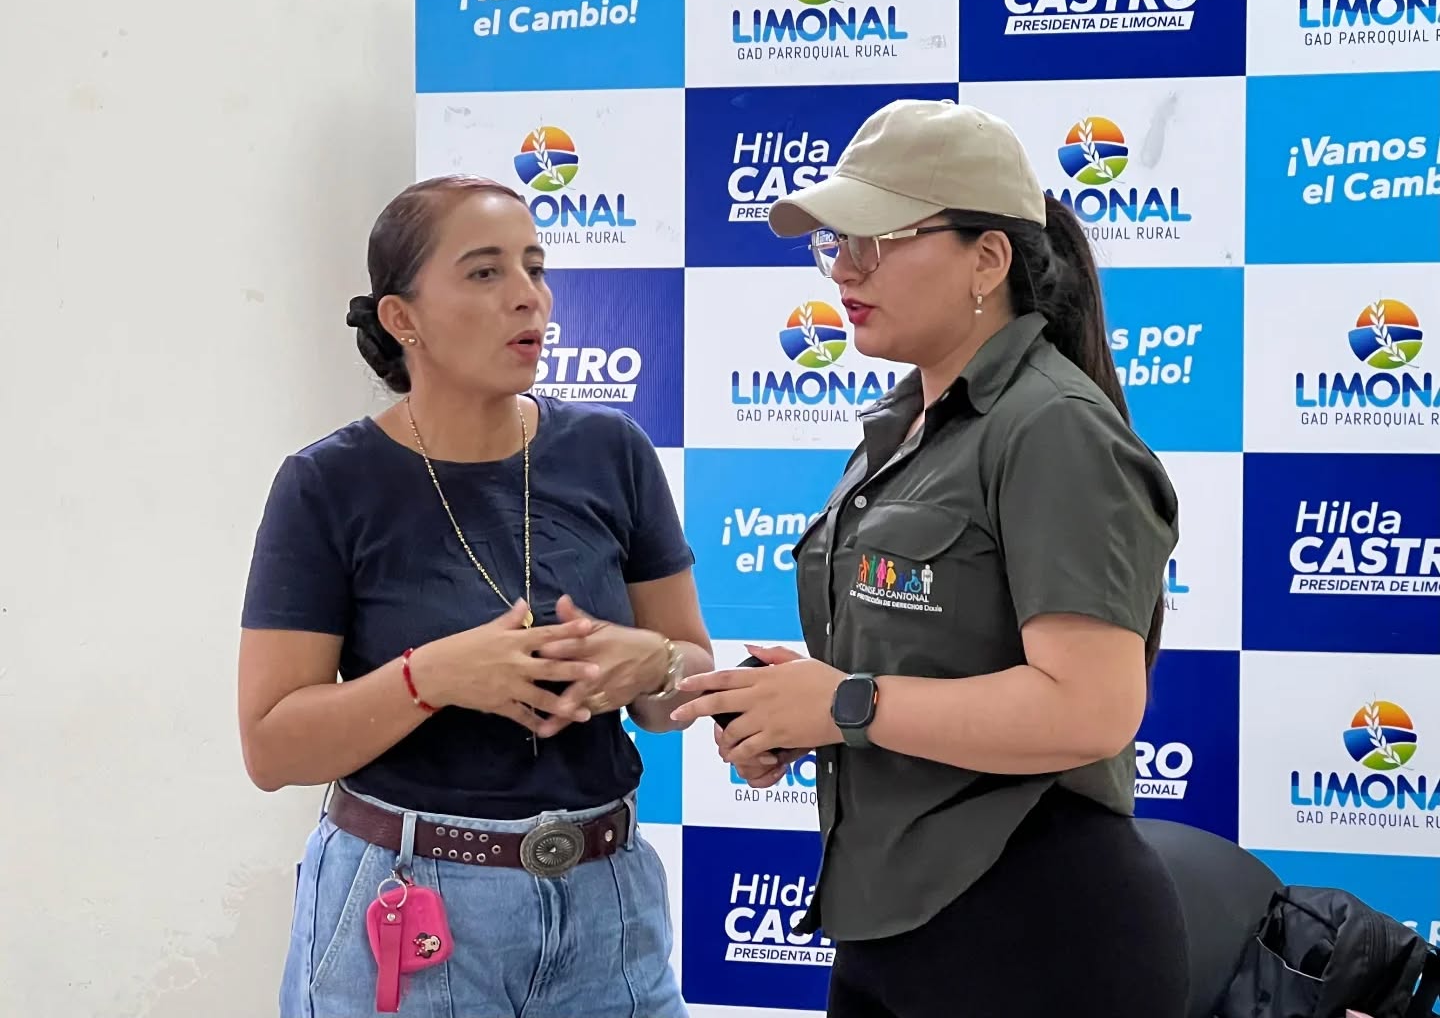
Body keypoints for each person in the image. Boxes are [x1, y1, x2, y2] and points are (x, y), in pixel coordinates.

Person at [670, 100, 1188, 1017]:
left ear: (987, 259)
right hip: (896, 923)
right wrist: (795, 708)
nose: (846, 268)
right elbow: (926, 671)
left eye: (877, 240)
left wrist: (844, 703)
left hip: (1032, 931)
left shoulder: (1051, 427)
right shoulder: (914, 427)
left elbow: (1092, 709)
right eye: (837, 242)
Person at [238, 174, 710, 1018]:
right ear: (403, 318)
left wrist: (654, 664)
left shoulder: (613, 450)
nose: (529, 297)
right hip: (410, 909)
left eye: (535, 267)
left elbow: (685, 682)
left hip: (608, 910)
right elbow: (273, 749)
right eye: (486, 272)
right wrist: (431, 678)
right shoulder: (327, 484)